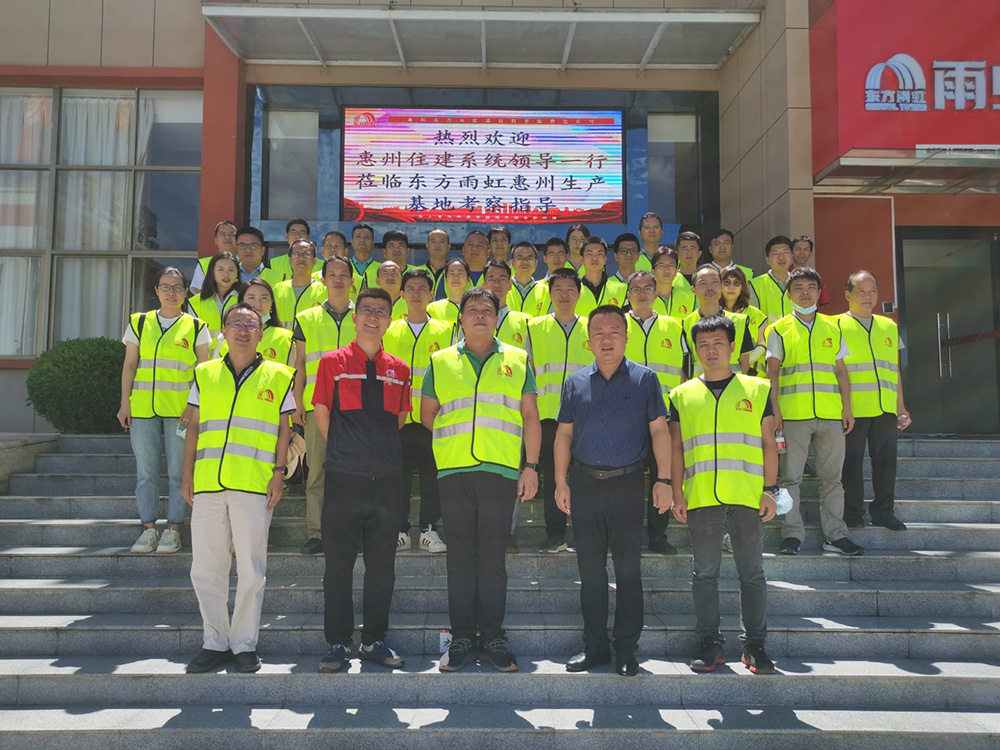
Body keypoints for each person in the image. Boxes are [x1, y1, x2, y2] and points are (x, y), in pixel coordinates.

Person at [421, 288, 541, 673]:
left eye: (487, 310)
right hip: (454, 472)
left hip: (501, 471)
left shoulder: (518, 359)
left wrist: (531, 466)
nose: (479, 315)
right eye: (471, 310)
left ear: (497, 317)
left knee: (492, 559)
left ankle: (492, 636)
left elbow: (530, 416)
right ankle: (460, 637)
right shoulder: (440, 361)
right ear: (460, 318)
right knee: (459, 558)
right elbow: (427, 414)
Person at [554, 305, 671, 677]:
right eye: (599, 333)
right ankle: (594, 647)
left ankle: (626, 649)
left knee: (628, 571)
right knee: (590, 572)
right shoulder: (575, 382)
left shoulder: (645, 379)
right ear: (588, 341)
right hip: (585, 485)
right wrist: (560, 481)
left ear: (626, 337)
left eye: (614, 332)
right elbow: (564, 433)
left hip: (627, 485)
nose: (606, 340)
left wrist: (665, 480)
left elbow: (659, 430)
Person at [181, 302, 295, 674]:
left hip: (254, 483)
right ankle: (214, 641)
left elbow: (284, 430)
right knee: (205, 567)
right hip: (208, 482)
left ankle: (245, 644)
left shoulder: (280, 375)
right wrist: (186, 475)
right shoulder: (204, 373)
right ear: (223, 331)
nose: (243, 330)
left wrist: (278, 473)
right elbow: (194, 426)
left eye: (250, 324)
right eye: (235, 323)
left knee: (251, 570)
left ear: (261, 332)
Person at [669, 314, 778, 675]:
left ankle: (755, 645)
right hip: (701, 497)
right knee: (704, 575)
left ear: (732, 347)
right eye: (703, 344)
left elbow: (768, 443)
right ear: (695, 350)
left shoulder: (757, 389)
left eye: (718, 343)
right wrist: (677, 492)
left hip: (747, 496)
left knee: (752, 574)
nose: (711, 350)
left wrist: (769, 490)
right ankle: (709, 643)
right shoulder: (681, 395)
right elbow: (677, 448)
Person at [313, 287, 411, 673]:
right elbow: (322, 411)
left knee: (382, 567)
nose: (373, 317)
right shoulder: (332, 363)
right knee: (338, 567)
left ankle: (373, 640)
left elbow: (400, 418)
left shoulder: (399, 369)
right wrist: (344, 449)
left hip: (386, 481)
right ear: (354, 318)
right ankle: (338, 642)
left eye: (381, 311)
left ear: (390, 320)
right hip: (344, 479)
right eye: (366, 310)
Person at [766, 267, 864, 556]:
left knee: (833, 479)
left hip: (831, 415)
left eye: (811, 287)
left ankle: (835, 535)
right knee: (790, 480)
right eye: (798, 288)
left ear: (820, 293)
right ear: (789, 294)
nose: (805, 292)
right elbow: (773, 374)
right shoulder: (778, 330)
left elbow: (841, 371)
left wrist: (847, 409)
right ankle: (791, 535)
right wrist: (775, 411)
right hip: (793, 416)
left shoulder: (833, 327)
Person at [118, 267, 211, 554]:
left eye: (178, 287)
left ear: (186, 292)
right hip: (142, 407)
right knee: (145, 473)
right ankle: (148, 529)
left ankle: (173, 529)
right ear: (156, 290)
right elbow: (130, 365)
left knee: (178, 472)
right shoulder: (139, 322)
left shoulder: (197, 326)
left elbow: (204, 373)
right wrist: (124, 403)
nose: (172, 293)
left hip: (181, 410)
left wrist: (194, 408)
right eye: (166, 287)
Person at [384, 269, 454, 553]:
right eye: (410, 288)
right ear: (401, 294)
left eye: (422, 288)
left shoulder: (447, 330)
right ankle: (399, 529)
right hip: (397, 417)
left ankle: (428, 529)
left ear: (431, 294)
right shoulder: (389, 330)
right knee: (397, 476)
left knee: (431, 475)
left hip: (431, 417)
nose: (416, 293)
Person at [292, 255, 357, 555]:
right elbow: (300, 363)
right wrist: (297, 401)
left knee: (352, 473)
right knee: (316, 471)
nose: (338, 279)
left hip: (355, 407)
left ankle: (349, 531)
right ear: (323, 280)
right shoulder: (307, 318)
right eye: (332, 274)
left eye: (344, 274)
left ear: (353, 281)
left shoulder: (363, 316)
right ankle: (316, 533)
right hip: (317, 405)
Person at [527, 267, 595, 554]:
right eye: (558, 289)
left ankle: (584, 533)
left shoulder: (592, 326)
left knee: (584, 478)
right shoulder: (534, 327)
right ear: (550, 294)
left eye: (570, 289)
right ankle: (555, 534)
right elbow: (529, 371)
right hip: (547, 416)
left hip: (585, 417)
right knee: (552, 476)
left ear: (579, 294)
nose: (564, 295)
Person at [838, 270, 910, 531]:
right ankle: (852, 513)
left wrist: (900, 406)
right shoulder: (835, 325)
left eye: (872, 291)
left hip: (885, 409)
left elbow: (894, 369)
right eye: (861, 291)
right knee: (850, 463)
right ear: (847, 295)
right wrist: (843, 408)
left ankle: (884, 512)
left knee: (886, 462)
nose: (868, 297)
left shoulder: (888, 326)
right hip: (853, 409)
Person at [624, 270, 687, 555]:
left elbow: (685, 371)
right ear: (628, 295)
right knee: (627, 479)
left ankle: (658, 535)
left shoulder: (674, 326)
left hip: (664, 416)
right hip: (626, 416)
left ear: (656, 292)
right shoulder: (618, 324)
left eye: (648, 288)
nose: (642, 294)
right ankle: (627, 533)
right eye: (636, 289)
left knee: (663, 475)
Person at [683, 265, 753, 376]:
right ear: (693, 289)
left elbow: (745, 362)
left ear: (721, 286)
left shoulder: (739, 322)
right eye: (703, 283)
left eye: (714, 282)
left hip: (733, 386)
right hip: (699, 386)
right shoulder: (686, 324)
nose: (709, 288)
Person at [217, 279, 294, 365]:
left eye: (264, 298)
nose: (258, 303)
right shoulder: (225, 336)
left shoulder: (286, 338)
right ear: (241, 302)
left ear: (271, 303)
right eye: (251, 298)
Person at [187, 251, 240, 355]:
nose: (226, 275)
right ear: (212, 272)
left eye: (231, 270)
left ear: (237, 274)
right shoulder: (195, 302)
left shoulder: (244, 299)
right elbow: (193, 338)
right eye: (220, 269)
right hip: (206, 361)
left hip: (236, 360)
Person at [721, 265, 768, 371]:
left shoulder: (756, 314)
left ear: (743, 286)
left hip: (753, 375)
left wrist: (748, 360)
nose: (731, 287)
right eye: (726, 282)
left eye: (736, 283)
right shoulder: (715, 313)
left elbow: (763, 343)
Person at [273, 240, 326, 328]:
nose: (301, 258)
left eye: (306, 254)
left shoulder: (325, 291)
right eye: (296, 254)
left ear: (315, 261)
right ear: (290, 260)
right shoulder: (274, 290)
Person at [482, 259, 532, 349]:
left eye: (502, 279)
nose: (496, 284)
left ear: (510, 285)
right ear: (484, 286)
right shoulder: (471, 319)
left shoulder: (526, 322)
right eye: (491, 279)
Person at [750, 236, 794, 325]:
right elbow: (752, 319)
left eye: (785, 252)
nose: (781, 257)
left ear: (792, 257)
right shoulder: (755, 285)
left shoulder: (799, 284)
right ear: (767, 260)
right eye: (775, 253)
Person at [190, 220, 238, 294]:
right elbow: (200, 293)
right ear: (216, 240)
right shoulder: (204, 264)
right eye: (223, 234)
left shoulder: (245, 263)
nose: (227, 237)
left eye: (232, 234)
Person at [579, 236, 626, 310]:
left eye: (599, 254)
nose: (595, 258)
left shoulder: (622, 289)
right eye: (589, 254)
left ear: (605, 259)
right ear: (582, 259)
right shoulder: (574, 290)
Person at [650, 248, 695, 319]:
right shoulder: (645, 298)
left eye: (671, 265)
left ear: (676, 271)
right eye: (661, 265)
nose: (667, 270)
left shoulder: (690, 297)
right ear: (653, 271)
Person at [507, 241, 548, 317]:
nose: (525, 262)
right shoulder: (503, 289)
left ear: (536, 263)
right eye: (520, 258)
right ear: (512, 262)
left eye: (529, 258)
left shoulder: (547, 292)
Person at [427, 258, 470, 329]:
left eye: (460, 273)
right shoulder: (432, 309)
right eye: (451, 274)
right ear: (446, 279)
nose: (456, 278)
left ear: (468, 279)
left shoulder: (476, 307)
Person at [791, 235, 830, 308]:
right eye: (798, 249)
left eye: (806, 249)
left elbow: (821, 306)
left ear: (810, 253)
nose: (802, 252)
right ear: (791, 252)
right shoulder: (784, 275)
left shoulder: (817, 278)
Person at [350, 223, 381, 292]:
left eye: (366, 237)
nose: (362, 240)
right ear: (352, 242)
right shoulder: (344, 267)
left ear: (372, 243)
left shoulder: (382, 269)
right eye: (358, 236)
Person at [424, 228, 451, 300]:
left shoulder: (454, 272)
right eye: (433, 242)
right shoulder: (418, 271)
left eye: (442, 242)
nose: (437, 245)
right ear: (427, 246)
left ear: (448, 247)